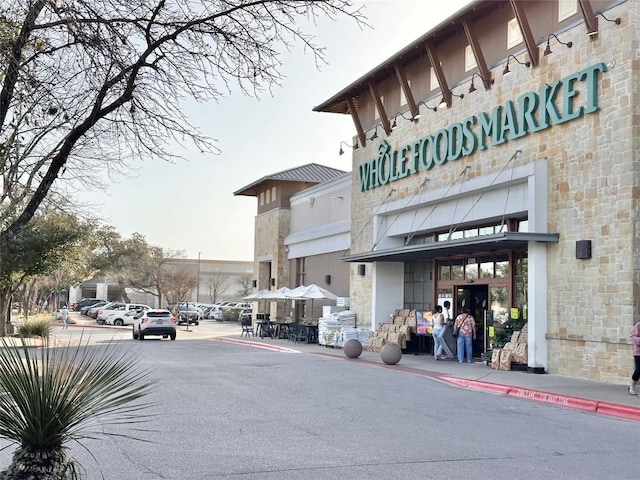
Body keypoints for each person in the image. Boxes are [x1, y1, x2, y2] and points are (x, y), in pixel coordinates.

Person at [630, 321, 640, 395]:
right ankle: (632, 386)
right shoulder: (638, 325)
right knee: (638, 370)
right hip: (638, 353)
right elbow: (633, 337)